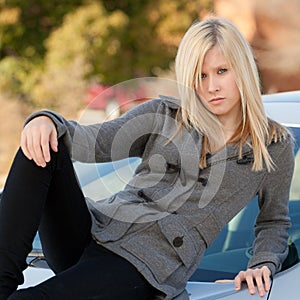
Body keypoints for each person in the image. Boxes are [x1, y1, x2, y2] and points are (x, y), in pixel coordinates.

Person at [0, 17, 295, 300]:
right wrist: (45, 120)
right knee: (41, 145)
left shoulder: (272, 146)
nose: (211, 87)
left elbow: (273, 220)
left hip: (146, 265)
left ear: (241, 69)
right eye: (200, 76)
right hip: (94, 232)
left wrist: (262, 263)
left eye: (222, 71)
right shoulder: (164, 116)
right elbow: (90, 142)